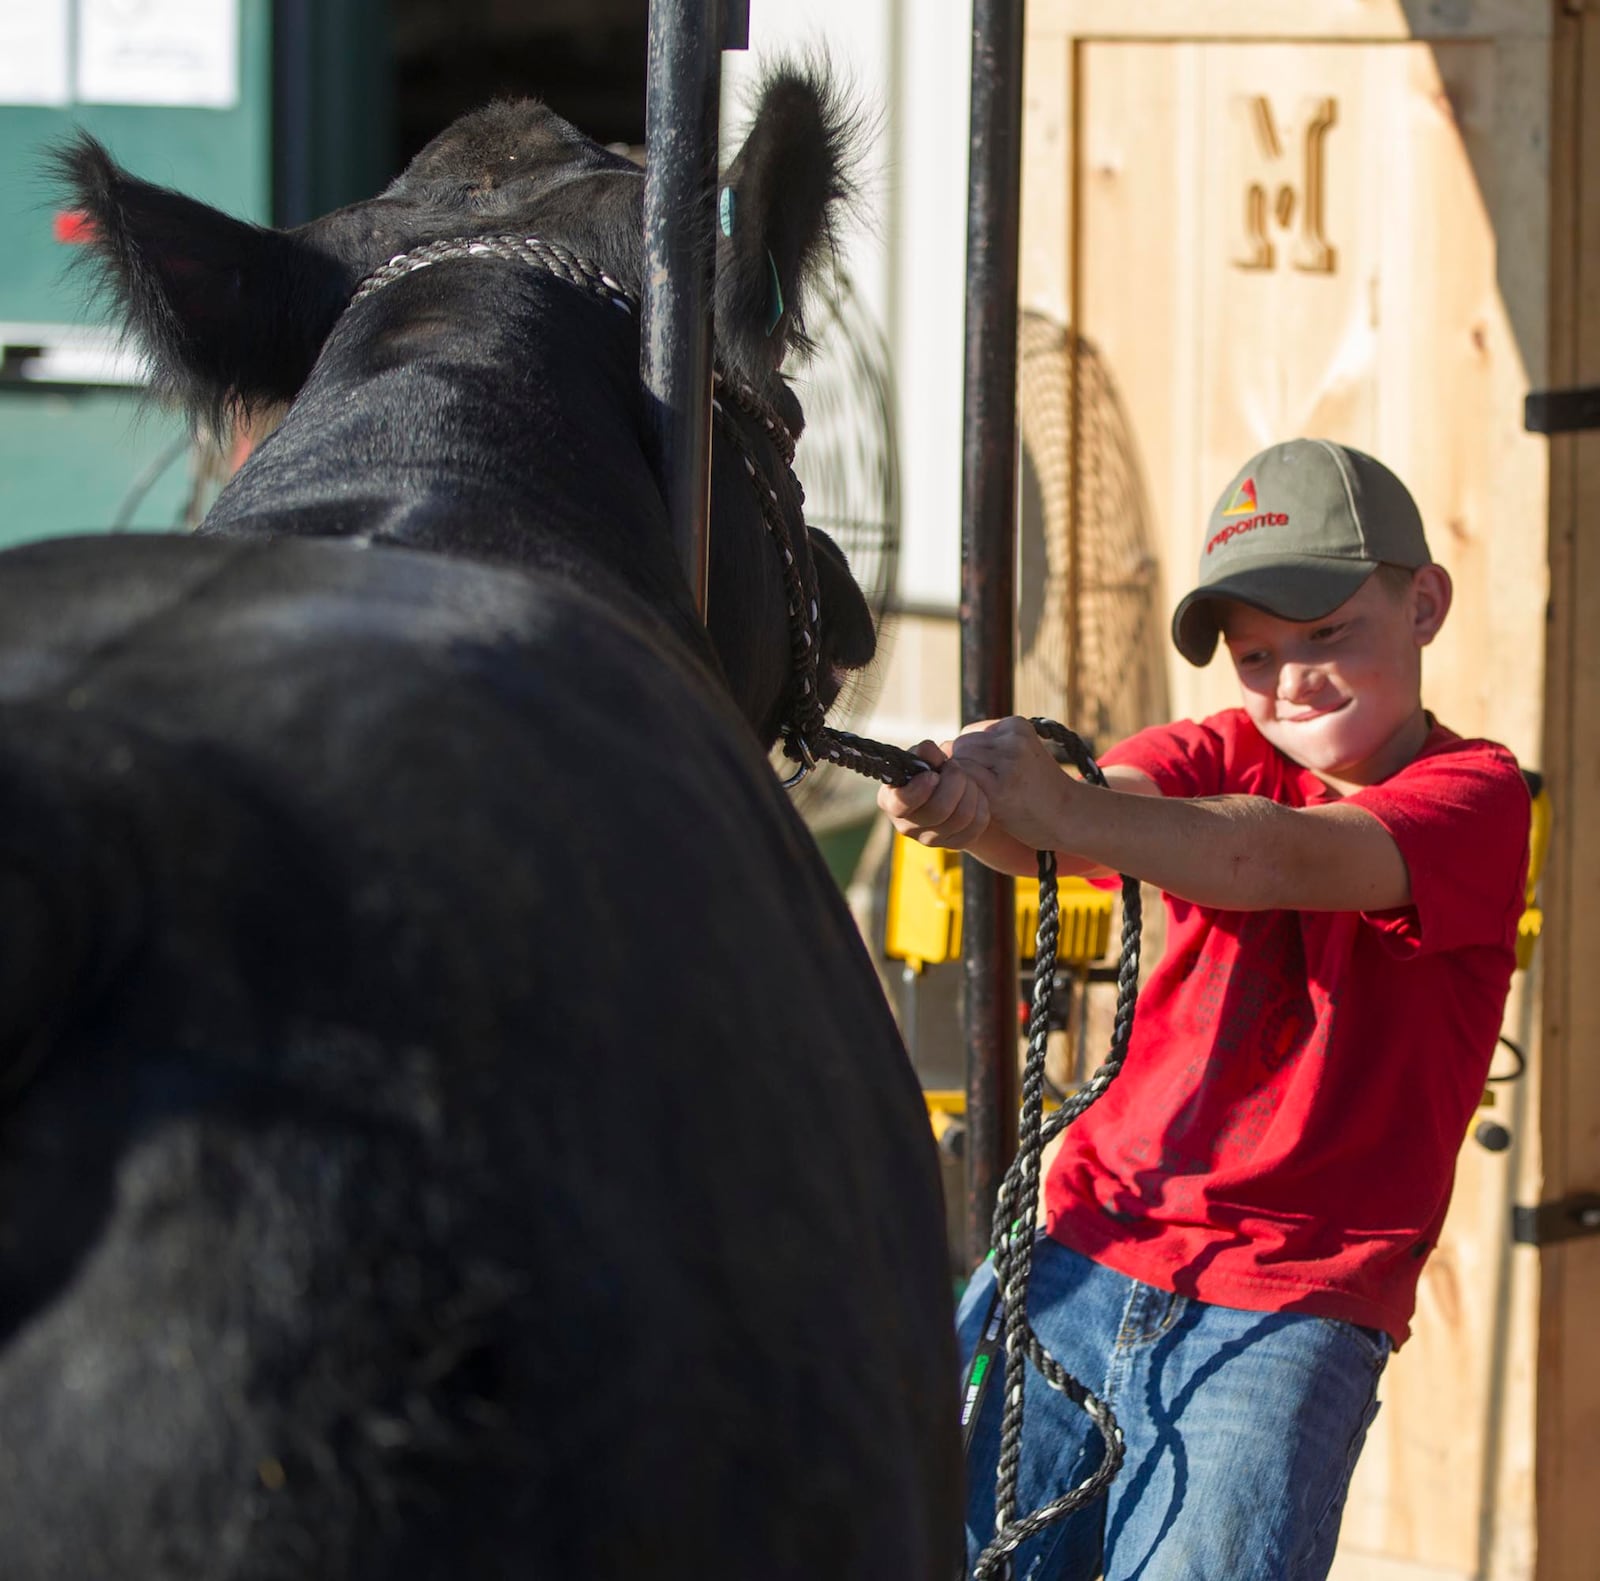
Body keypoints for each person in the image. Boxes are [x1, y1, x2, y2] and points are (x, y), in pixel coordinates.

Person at [880, 438, 1531, 1581]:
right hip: (1082, 1248)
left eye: (1328, 634)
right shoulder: (1210, 752)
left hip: (1285, 1319)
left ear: (1423, 602)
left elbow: (1264, 856)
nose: (1291, 681)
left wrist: (1056, 806)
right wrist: (970, 803)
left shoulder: (1471, 798)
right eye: (1256, 655)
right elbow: (1075, 822)